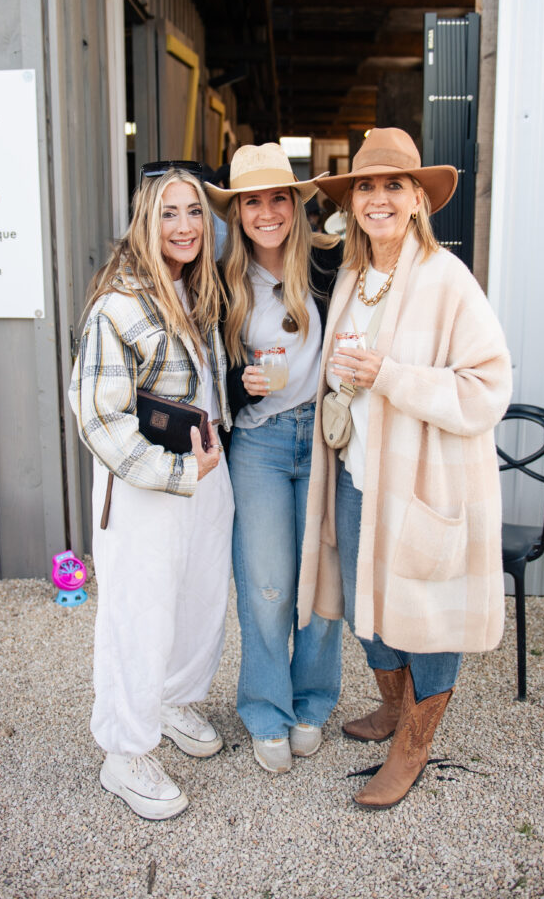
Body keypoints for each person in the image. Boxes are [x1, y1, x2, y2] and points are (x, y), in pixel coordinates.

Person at [298, 127, 512, 809]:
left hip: (424, 482)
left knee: (428, 612)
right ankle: (391, 708)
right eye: (365, 185)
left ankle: (412, 745)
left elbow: (487, 390)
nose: (378, 198)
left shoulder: (447, 280)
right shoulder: (355, 278)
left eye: (394, 185)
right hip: (361, 474)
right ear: (351, 201)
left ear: (418, 199)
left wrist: (389, 377)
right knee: (369, 612)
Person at [68, 162, 234, 820]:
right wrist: (171, 475)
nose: (185, 225)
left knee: (197, 601)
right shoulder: (119, 305)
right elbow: (98, 416)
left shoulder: (198, 294)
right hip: (144, 487)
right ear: (146, 220)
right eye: (169, 212)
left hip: (203, 477)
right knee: (138, 613)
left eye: (195, 211)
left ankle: (171, 700)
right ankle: (124, 751)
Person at [204, 143, 343, 774]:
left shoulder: (326, 268)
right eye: (251, 201)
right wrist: (241, 386)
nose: (266, 213)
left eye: (277, 198)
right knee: (265, 587)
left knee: (319, 580)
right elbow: (210, 375)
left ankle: (312, 701)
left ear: (294, 204)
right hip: (258, 444)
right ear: (237, 212)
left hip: (318, 438)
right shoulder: (222, 281)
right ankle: (266, 709)